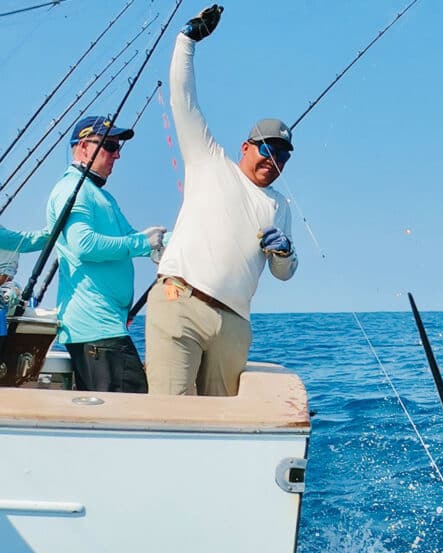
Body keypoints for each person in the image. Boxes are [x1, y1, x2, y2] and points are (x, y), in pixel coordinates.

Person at [145, 5, 298, 398]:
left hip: (234, 323)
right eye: (267, 148)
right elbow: (183, 98)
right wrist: (187, 41)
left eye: (283, 155)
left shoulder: (280, 205)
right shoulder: (209, 161)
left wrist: (284, 254)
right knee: (171, 417)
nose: (274, 159)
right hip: (181, 301)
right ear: (245, 147)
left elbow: (284, 273)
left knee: (221, 424)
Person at [46, 116, 166, 392]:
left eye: (117, 147)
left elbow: (134, 236)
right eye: (110, 146)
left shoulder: (102, 197)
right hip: (97, 330)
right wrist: (142, 244)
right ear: (83, 148)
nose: (117, 155)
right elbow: (83, 245)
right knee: (130, 412)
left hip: (107, 327)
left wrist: (178, 238)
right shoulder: (71, 189)